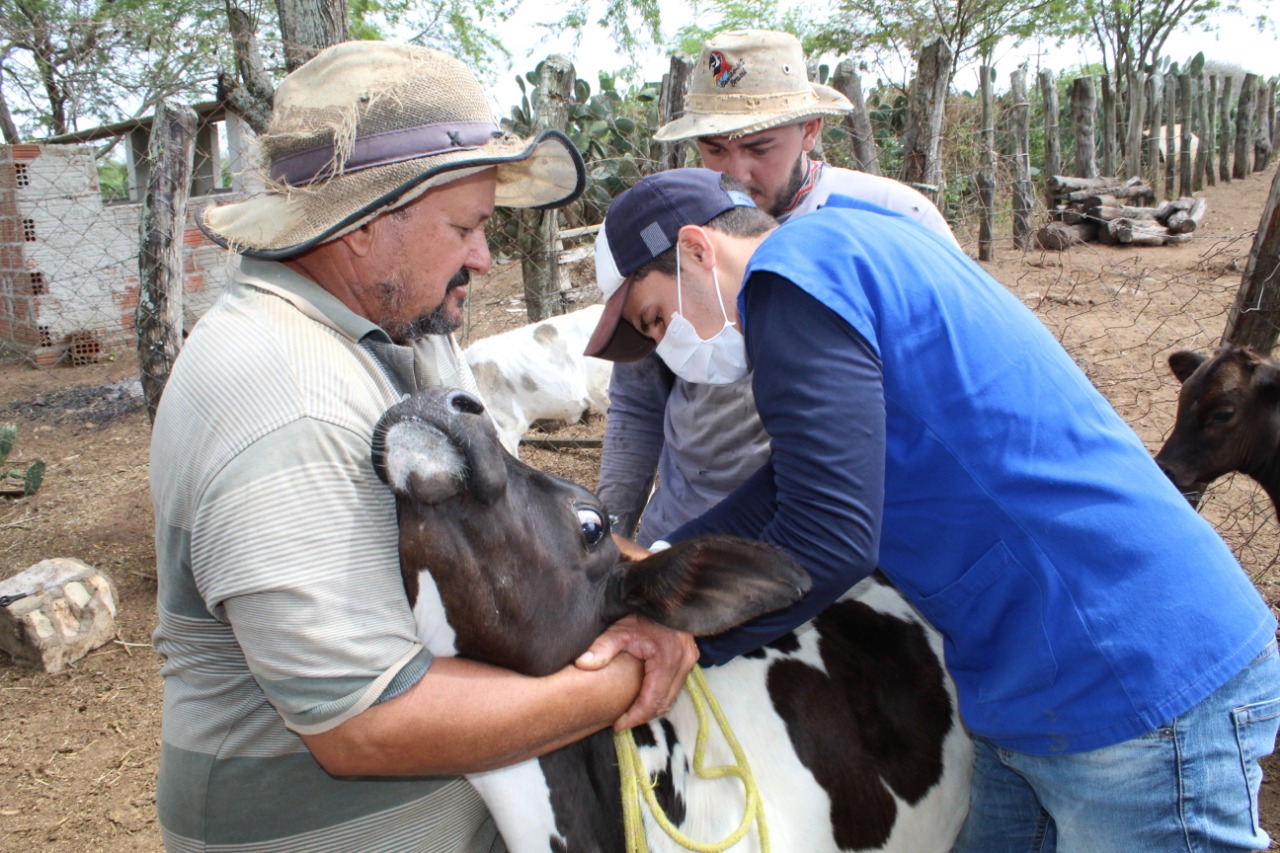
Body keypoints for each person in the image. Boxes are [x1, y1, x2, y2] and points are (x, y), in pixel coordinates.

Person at [584, 167, 1280, 852]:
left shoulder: (789, 284)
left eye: (655, 318)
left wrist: (689, 633)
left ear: (698, 251)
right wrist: (659, 563)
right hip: (1039, 684)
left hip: (1131, 679)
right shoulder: (851, 246)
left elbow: (830, 535)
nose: (666, 350)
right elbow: (794, 482)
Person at [149, 42, 696, 852]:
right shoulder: (285, 396)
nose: (483, 256)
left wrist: (644, 579)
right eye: (466, 227)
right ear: (369, 224)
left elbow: (505, 495)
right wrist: (633, 668)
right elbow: (366, 722)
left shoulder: (395, 330)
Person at [597, 28, 957, 545]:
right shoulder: (670, 232)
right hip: (690, 531)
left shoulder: (893, 220)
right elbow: (638, 402)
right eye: (713, 148)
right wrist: (613, 537)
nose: (735, 172)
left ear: (810, 130)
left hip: (838, 542)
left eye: (759, 147)